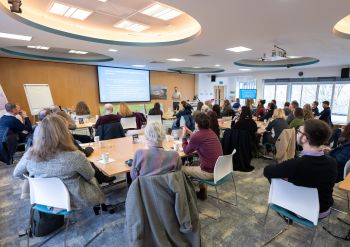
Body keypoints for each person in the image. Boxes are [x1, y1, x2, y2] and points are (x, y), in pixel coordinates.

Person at [13, 114, 105, 210]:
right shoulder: (75, 156)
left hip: (44, 197)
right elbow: (90, 175)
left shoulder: (29, 154)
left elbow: (17, 173)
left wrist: (38, 179)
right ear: (65, 133)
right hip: (73, 200)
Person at [264, 119, 337, 218]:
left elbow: (267, 171)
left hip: (303, 211)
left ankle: (284, 211)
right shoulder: (332, 162)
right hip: (325, 209)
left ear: (305, 138)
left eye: (299, 132)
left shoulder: (295, 164)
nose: (297, 134)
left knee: (275, 176)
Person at [181, 113, 223, 199]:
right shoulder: (211, 132)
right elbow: (200, 140)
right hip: (220, 169)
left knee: (180, 168)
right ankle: (202, 192)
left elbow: (186, 151)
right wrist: (190, 133)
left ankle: (186, 196)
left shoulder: (198, 136)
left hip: (210, 172)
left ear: (197, 124)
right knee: (194, 164)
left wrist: (183, 136)